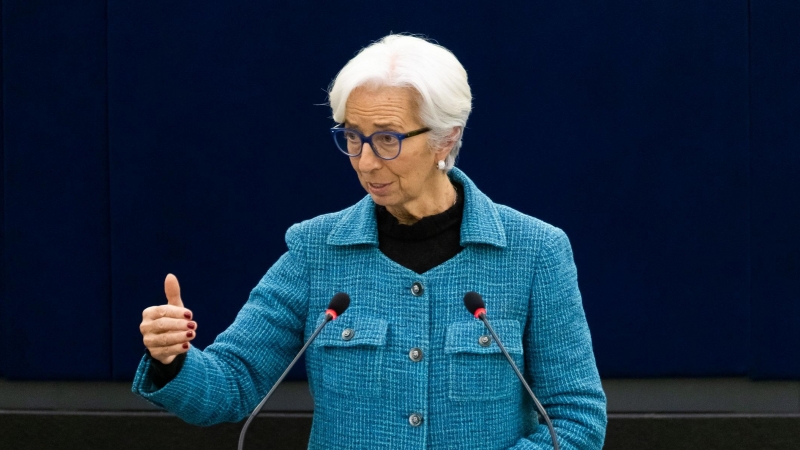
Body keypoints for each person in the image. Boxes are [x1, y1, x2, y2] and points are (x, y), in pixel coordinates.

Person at [133, 34, 607, 449]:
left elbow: (576, 420)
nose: (365, 162)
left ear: (445, 138)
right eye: (353, 138)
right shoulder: (315, 252)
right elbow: (230, 386)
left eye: (387, 139)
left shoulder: (534, 252)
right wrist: (172, 360)